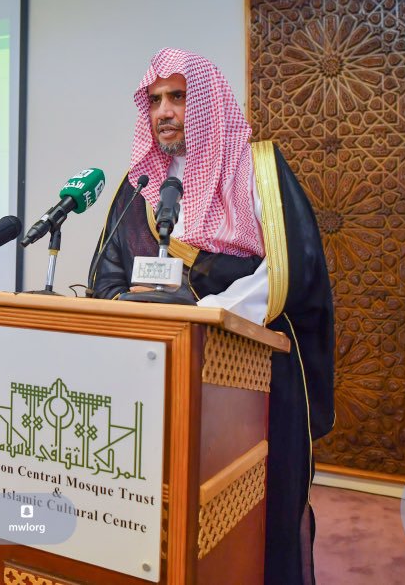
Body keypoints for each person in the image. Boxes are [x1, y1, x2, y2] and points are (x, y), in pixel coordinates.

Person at [89, 49, 334, 584]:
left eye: (177, 96)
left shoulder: (257, 167)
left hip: (252, 370)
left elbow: (289, 267)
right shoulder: (140, 186)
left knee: (254, 515)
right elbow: (104, 276)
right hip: (151, 374)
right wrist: (130, 312)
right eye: (154, 100)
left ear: (206, 100)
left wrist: (213, 313)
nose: (164, 111)